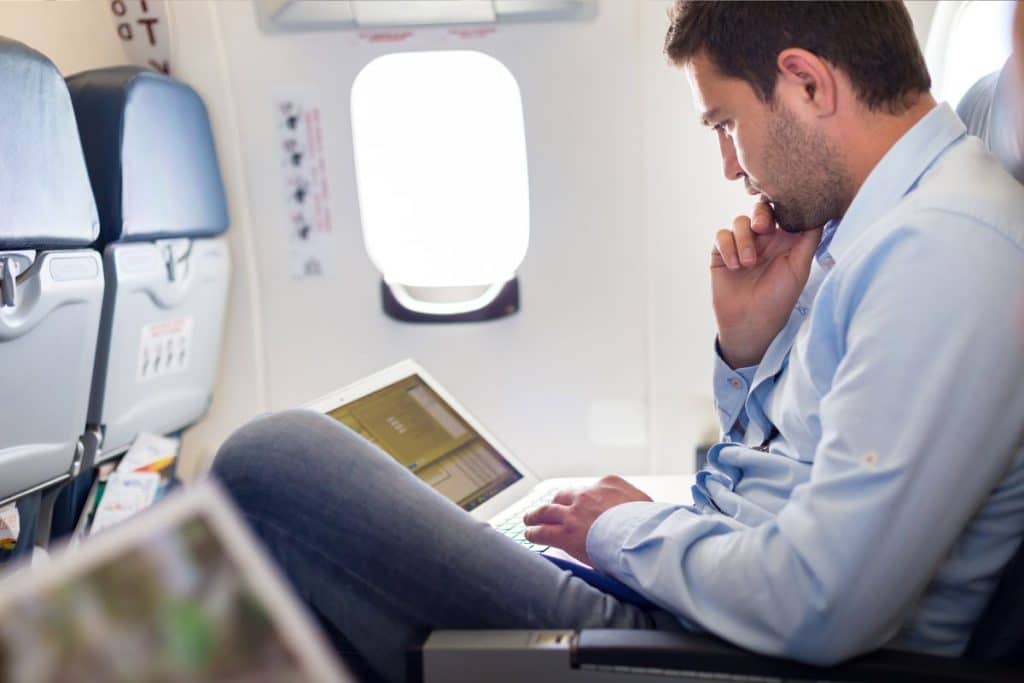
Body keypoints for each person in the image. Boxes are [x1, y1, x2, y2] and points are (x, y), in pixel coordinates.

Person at [212, 2, 1024, 680]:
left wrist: (619, 531)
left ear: (807, 82)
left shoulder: (944, 251)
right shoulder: (875, 220)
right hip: (704, 608)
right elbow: (780, 477)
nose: (731, 168)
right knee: (315, 597)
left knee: (273, 462)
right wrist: (747, 354)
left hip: (729, 655)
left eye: (726, 123)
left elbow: (822, 600)